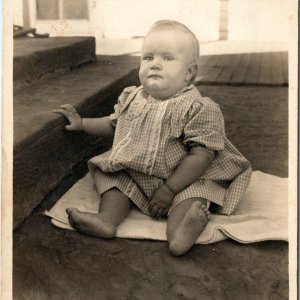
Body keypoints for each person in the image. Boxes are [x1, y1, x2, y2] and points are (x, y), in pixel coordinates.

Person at [53, 20, 252, 256]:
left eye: (167, 59)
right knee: (114, 181)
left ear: (189, 73)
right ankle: (106, 220)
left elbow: (202, 155)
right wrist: (82, 123)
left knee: (194, 195)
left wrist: (169, 189)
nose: (155, 64)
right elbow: (114, 123)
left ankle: (180, 231)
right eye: (148, 58)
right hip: (137, 175)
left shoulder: (198, 107)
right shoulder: (132, 97)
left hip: (183, 179)